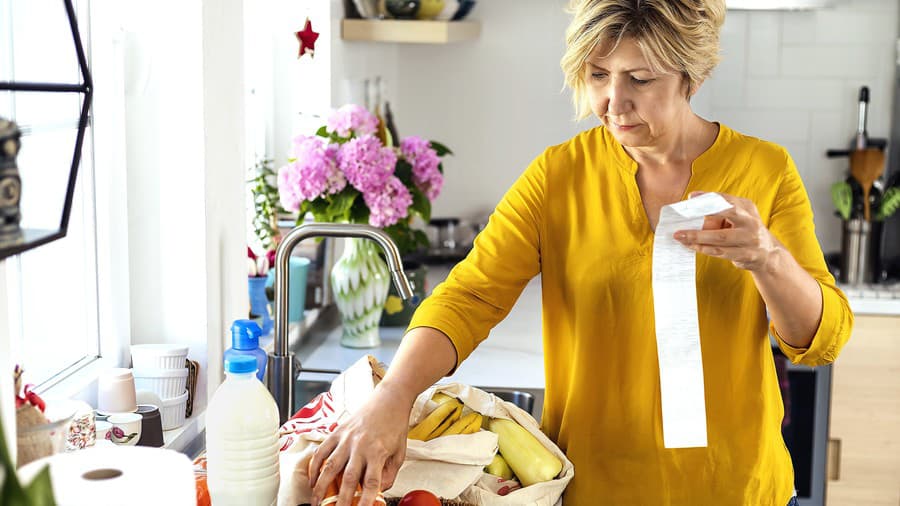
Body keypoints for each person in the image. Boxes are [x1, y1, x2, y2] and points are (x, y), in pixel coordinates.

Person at [308, 0, 853, 504]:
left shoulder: (765, 170)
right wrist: (395, 395)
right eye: (597, 76)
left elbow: (820, 341)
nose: (613, 103)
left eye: (639, 78)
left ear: (694, 76)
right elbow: (470, 295)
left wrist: (767, 258)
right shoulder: (559, 176)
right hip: (595, 487)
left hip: (738, 486)